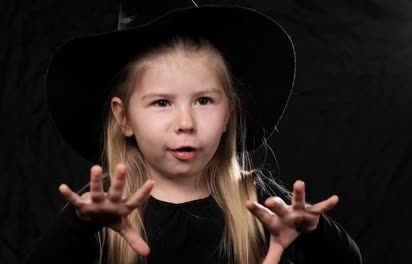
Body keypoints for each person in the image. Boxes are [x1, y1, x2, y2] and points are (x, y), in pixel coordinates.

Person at [26, 2, 362, 264]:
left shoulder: (257, 199)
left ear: (229, 112)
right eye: (161, 103)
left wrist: (314, 231)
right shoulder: (106, 209)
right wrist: (79, 224)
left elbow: (348, 260)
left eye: (203, 100)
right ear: (124, 117)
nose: (186, 122)